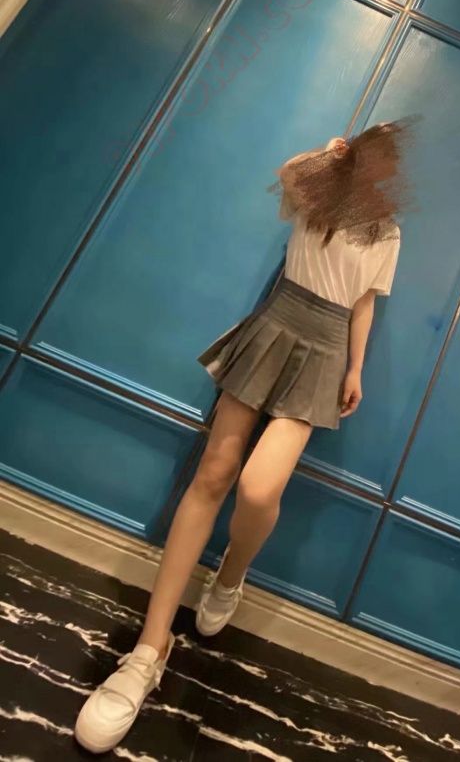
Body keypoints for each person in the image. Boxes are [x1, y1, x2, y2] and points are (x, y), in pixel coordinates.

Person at [74, 121, 411, 754]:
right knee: (213, 474)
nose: (384, 167)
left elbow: (365, 301)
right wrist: (327, 154)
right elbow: (286, 175)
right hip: (277, 322)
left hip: (326, 347)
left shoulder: (388, 231)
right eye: (376, 154)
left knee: (259, 489)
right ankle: (148, 650)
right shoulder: (321, 189)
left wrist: (356, 367)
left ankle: (230, 573)